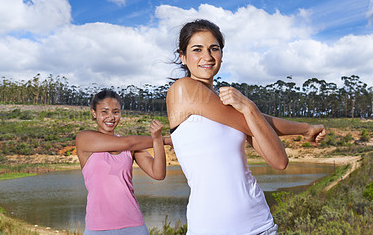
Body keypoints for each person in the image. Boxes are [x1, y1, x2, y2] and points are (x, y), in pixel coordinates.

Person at [166, 19, 326, 234]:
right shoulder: (184, 89)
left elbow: (278, 161)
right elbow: (254, 121)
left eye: (215, 48)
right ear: (182, 57)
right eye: (197, 49)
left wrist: (250, 108)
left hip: (260, 225)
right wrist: (304, 128)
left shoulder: (232, 106)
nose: (208, 56)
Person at [76, 90, 167, 235]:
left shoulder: (130, 147)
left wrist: (157, 140)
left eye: (115, 112)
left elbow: (158, 173)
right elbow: (128, 142)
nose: (110, 117)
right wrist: (168, 140)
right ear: (94, 113)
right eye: (104, 112)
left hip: (134, 225)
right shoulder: (84, 139)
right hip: (98, 228)